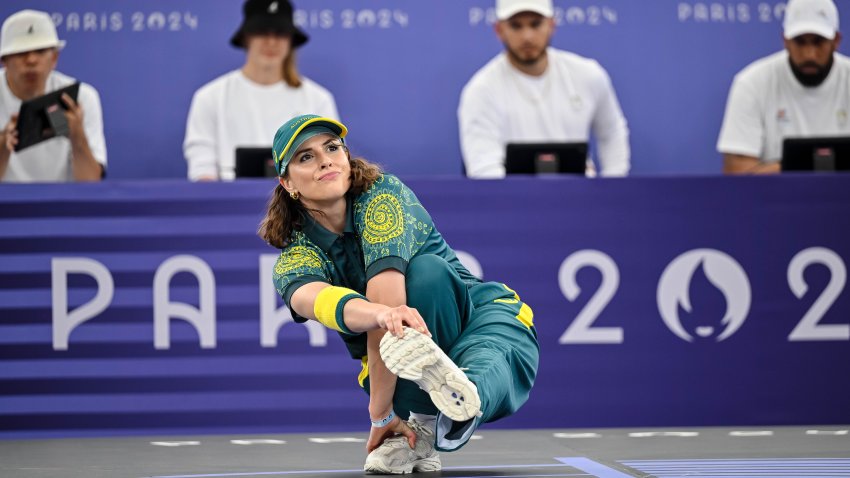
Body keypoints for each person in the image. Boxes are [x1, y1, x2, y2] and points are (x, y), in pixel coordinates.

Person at [259, 114, 539, 473]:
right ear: (287, 182)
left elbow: (391, 305)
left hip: (484, 320)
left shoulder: (381, 196)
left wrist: (379, 415)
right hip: (392, 366)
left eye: (332, 147)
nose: (325, 159)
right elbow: (317, 300)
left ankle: (447, 406)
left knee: (428, 276)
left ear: (346, 157)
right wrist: (383, 407)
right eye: (305, 157)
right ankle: (425, 422)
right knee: (397, 334)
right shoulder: (293, 258)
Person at [458, 0, 630, 179]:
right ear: (499, 30)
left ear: (551, 25)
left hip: (581, 201)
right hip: (513, 204)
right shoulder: (480, 90)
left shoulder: (589, 75)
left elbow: (612, 132)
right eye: (516, 26)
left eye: (535, 24)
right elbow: (484, 168)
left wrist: (612, 188)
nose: (527, 36)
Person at [184, 0, 339, 181]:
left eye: (280, 33)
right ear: (246, 38)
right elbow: (202, 172)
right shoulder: (210, 98)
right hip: (230, 207)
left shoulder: (318, 99)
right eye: (262, 32)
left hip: (301, 206)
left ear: (290, 40)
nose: (271, 41)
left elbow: (331, 166)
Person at [717, 0, 847, 174]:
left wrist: (790, 166)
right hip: (772, 199)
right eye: (800, 42)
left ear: (836, 41)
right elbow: (736, 173)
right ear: (785, 40)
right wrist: (809, 166)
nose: (809, 54)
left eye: (818, 42)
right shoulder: (751, 83)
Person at [0, 9, 106, 182]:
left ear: (54, 58)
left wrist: (77, 136)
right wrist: (3, 144)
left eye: (40, 51)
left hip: (63, 204)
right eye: (21, 53)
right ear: (4, 60)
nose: (32, 60)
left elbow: (90, 182)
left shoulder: (81, 98)